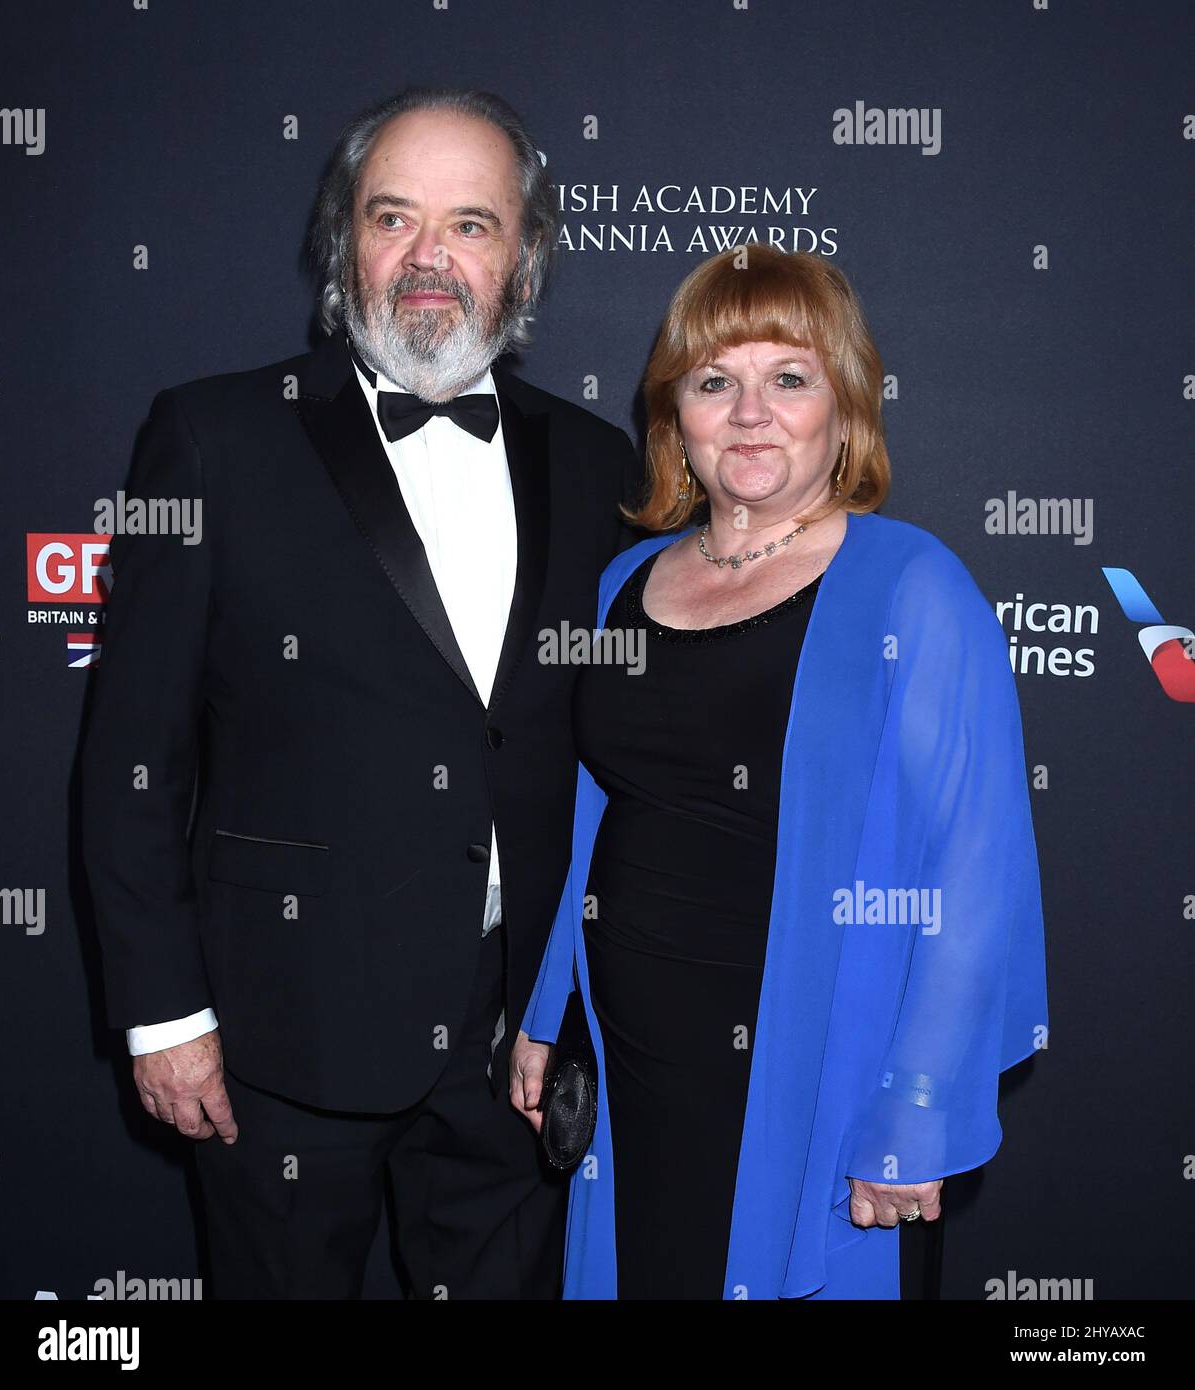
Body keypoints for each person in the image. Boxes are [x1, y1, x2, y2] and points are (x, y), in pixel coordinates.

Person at [81, 86, 640, 1300]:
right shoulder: (214, 438)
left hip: (523, 1044)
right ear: (345, 244)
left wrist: (584, 1000)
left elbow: (620, 755)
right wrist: (164, 1015)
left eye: (472, 224)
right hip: (281, 1038)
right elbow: (133, 759)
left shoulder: (603, 466)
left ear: (526, 255)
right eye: (394, 218)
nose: (429, 258)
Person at [510, 244, 1048, 1300]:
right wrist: (546, 1014)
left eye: (788, 378)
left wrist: (917, 1107)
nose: (750, 412)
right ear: (675, 418)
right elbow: (592, 819)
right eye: (715, 382)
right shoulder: (624, 581)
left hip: (819, 1070)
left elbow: (973, 877)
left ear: (843, 407)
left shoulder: (913, 586)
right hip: (629, 1057)